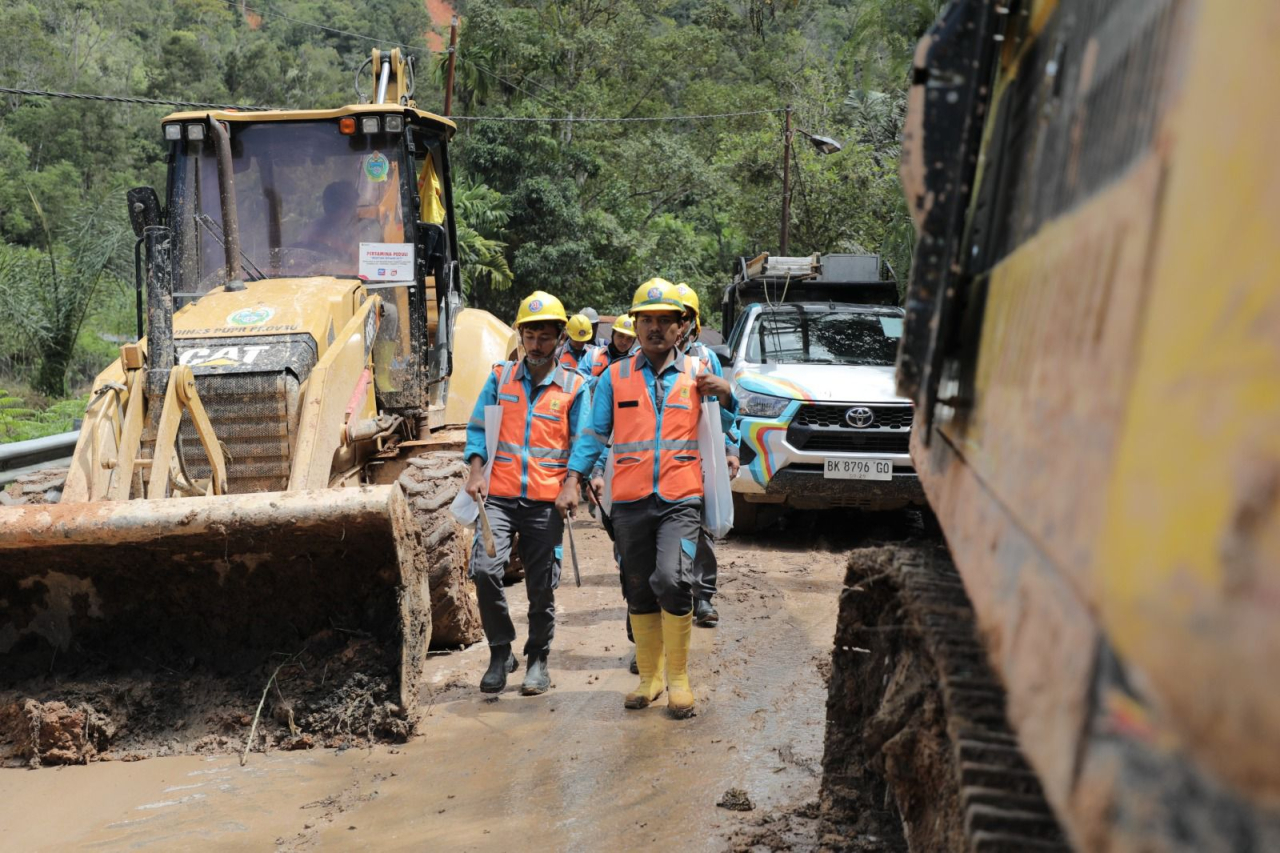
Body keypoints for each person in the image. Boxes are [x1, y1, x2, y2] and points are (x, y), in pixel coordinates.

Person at [563, 279, 737, 719]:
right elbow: (593, 434)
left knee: (674, 580)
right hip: (630, 499)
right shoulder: (614, 377)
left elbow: (734, 421)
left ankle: (678, 678)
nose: (655, 328)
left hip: (681, 498)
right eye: (647, 320)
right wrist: (574, 479)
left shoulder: (699, 376)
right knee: (638, 586)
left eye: (665, 321)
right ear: (635, 325)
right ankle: (650, 679)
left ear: (682, 327)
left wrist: (728, 393)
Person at [463, 291, 590, 696]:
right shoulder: (500, 378)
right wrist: (476, 471)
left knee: (541, 585)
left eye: (546, 337)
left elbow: (584, 443)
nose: (536, 345)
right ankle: (501, 653)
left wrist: (572, 485)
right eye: (530, 336)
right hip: (497, 495)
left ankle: (538, 658)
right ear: (520, 335)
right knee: (484, 570)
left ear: (560, 338)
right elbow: (479, 430)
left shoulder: (574, 386)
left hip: (545, 501)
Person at [673, 283, 740, 628]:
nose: (676, 325)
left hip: (698, 460)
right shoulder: (643, 361)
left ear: (692, 322)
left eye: (682, 318)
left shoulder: (705, 359)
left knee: (702, 532)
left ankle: (703, 597)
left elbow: (721, 413)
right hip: (661, 466)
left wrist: (730, 449)